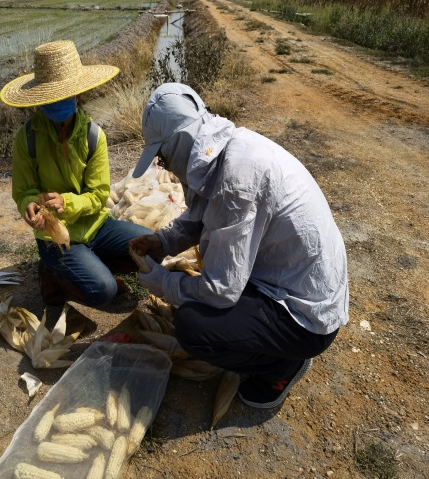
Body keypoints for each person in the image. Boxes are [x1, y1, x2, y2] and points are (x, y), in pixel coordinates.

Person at [129, 83, 349, 409]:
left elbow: (220, 291)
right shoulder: (232, 150)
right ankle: (278, 347)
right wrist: (164, 242)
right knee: (198, 293)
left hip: (307, 318)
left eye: (161, 157)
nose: (163, 166)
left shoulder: (238, 178)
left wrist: (162, 283)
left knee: (193, 326)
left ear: (180, 142)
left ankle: (282, 366)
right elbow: (204, 213)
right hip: (295, 284)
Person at [0, 40, 153, 308]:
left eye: (64, 95)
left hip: (96, 225)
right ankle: (55, 276)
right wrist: (30, 205)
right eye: (52, 97)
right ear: (41, 99)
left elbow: (98, 194)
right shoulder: (27, 139)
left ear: (78, 95)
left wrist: (67, 202)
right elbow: (23, 191)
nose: (58, 103)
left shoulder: (94, 136)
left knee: (150, 249)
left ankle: (88, 264)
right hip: (53, 235)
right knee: (103, 292)